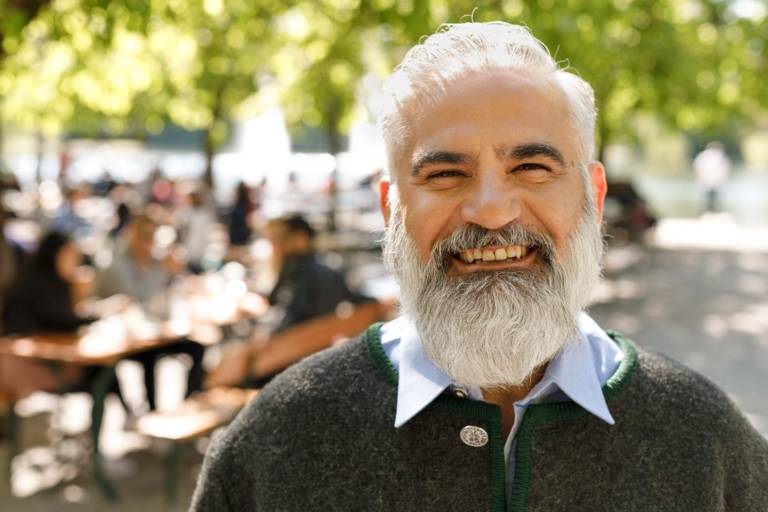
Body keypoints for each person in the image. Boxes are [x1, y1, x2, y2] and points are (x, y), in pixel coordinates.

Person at [191, 23, 768, 511]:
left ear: (592, 196)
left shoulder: (708, 439)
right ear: (392, 210)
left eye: (533, 167)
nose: (492, 212)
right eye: (445, 175)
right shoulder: (276, 439)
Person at [95, 214, 205, 413]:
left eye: (151, 237)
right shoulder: (116, 266)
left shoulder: (158, 265)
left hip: (160, 331)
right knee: (148, 357)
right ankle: (150, 413)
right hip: (128, 338)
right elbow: (106, 303)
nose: (148, 243)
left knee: (197, 348)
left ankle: (188, 404)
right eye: (144, 236)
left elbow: (170, 297)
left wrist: (176, 272)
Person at [0, 231, 124, 404]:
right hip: (26, 361)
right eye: (70, 256)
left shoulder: (60, 281)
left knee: (104, 370)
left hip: (50, 354)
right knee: (101, 373)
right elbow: (62, 320)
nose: (74, 263)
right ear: (55, 254)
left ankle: (130, 415)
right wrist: (101, 313)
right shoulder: (36, 283)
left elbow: (68, 318)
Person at [264, 214, 369, 333]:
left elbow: (292, 317)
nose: (277, 246)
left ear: (301, 237)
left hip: (303, 341)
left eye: (282, 239)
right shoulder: (327, 265)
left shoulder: (302, 271)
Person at [693, 141, 732, 214]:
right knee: (714, 200)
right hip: (715, 182)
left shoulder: (702, 155)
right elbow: (727, 168)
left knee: (706, 200)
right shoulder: (721, 156)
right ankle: (713, 213)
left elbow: (697, 167)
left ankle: (706, 213)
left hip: (706, 181)